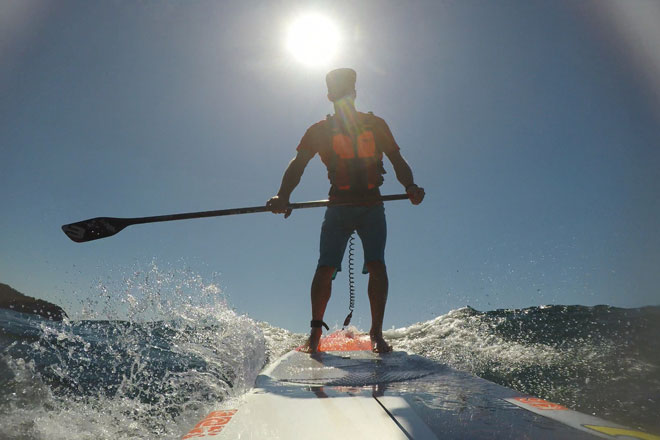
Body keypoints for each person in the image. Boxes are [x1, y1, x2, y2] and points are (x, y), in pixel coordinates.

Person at [267, 68, 425, 353]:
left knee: (377, 265)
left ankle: (376, 333)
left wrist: (410, 185)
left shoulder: (376, 124)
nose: (343, 96)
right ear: (329, 96)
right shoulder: (318, 131)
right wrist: (283, 195)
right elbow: (298, 164)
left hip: (371, 206)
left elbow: (397, 159)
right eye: (338, 92)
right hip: (338, 207)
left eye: (347, 91)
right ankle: (315, 333)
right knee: (325, 267)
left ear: (354, 93)